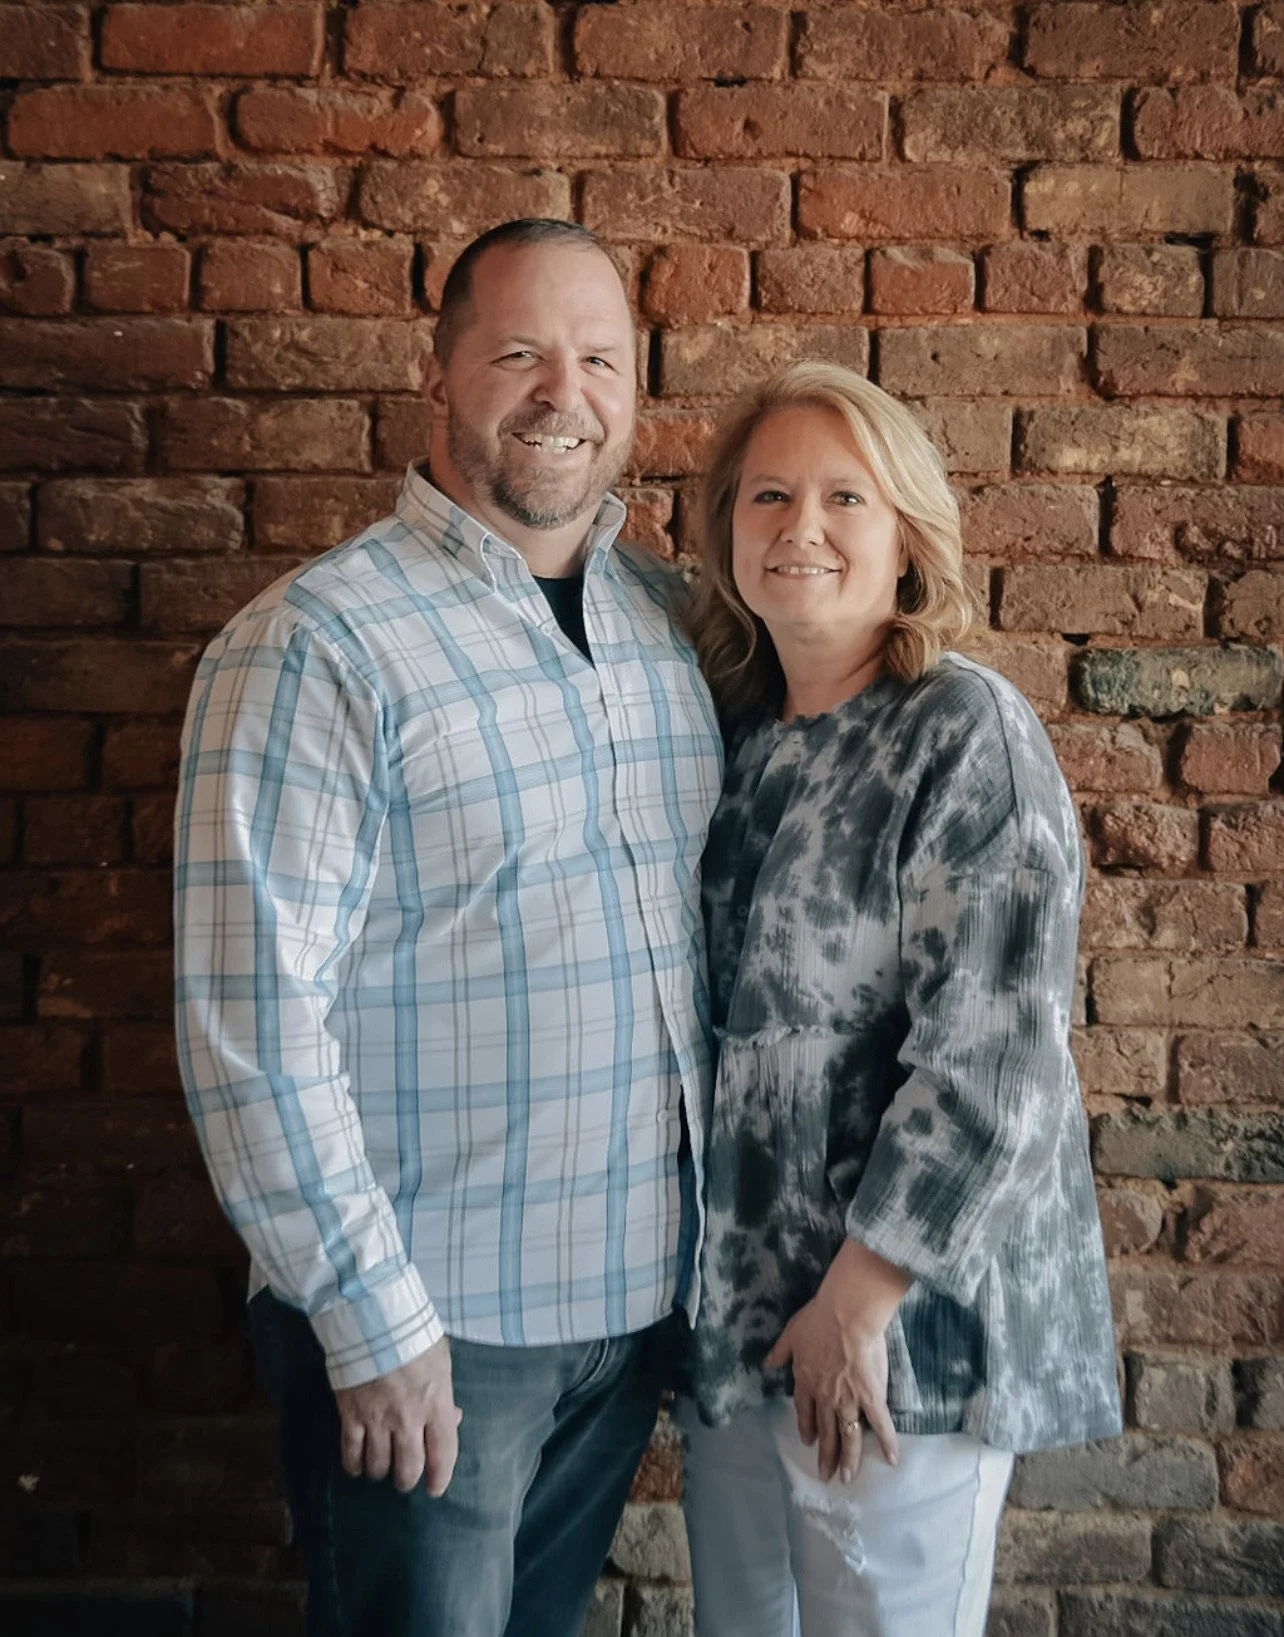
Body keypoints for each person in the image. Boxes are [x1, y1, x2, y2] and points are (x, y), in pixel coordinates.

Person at [173, 218, 722, 1637]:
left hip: (629, 1308)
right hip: (434, 1332)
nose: (563, 393)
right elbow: (251, 1026)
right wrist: (371, 1320)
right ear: (438, 377)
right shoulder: (316, 644)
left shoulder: (666, 624)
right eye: (520, 352)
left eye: (598, 359)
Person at [677, 360, 1121, 1637]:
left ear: (909, 537)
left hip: (899, 1333)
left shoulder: (962, 730)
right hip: (746, 1321)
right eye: (768, 495)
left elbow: (993, 1060)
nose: (799, 527)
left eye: (844, 497)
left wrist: (859, 1301)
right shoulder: (737, 734)